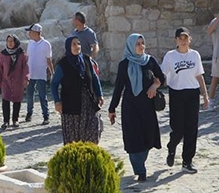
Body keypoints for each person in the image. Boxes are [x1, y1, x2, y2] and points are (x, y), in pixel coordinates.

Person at [108, 34, 165, 183]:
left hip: (147, 106)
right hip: (130, 108)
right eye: (137, 44)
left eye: (142, 43)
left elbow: (162, 78)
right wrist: (112, 108)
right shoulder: (124, 64)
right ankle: (140, 170)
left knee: (147, 137)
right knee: (134, 139)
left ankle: (140, 164)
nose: (141, 46)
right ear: (131, 46)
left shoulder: (150, 61)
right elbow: (118, 87)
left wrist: (155, 85)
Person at [160, 28, 208, 174]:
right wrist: (154, 86)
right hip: (176, 93)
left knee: (191, 129)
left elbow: (199, 75)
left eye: (185, 38)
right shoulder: (170, 56)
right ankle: (172, 146)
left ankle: (187, 161)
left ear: (189, 39)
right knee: (178, 128)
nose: (183, 40)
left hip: (192, 93)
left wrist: (205, 94)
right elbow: (162, 74)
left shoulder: (195, 55)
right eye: (180, 38)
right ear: (176, 40)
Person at [52, 36, 104, 145]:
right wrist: (57, 101)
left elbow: (94, 78)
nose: (77, 46)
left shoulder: (86, 60)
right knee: (74, 139)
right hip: (71, 106)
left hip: (89, 103)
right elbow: (54, 84)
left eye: (78, 44)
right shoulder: (63, 64)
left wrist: (100, 94)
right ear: (68, 47)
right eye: (74, 44)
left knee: (93, 131)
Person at [0, 34, 29, 129]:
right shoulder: (3, 54)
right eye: (8, 41)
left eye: (12, 41)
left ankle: (15, 120)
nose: (10, 43)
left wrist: (26, 78)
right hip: (6, 81)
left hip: (18, 80)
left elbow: (25, 66)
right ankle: (6, 121)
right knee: (5, 100)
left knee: (17, 100)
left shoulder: (21, 53)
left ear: (16, 42)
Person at [24, 23, 54, 125]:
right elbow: (27, 58)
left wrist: (52, 73)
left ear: (36, 33)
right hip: (30, 74)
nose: (29, 34)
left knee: (42, 96)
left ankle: (46, 115)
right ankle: (29, 113)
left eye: (30, 32)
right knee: (29, 95)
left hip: (41, 74)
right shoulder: (30, 43)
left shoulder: (46, 44)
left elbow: (49, 60)